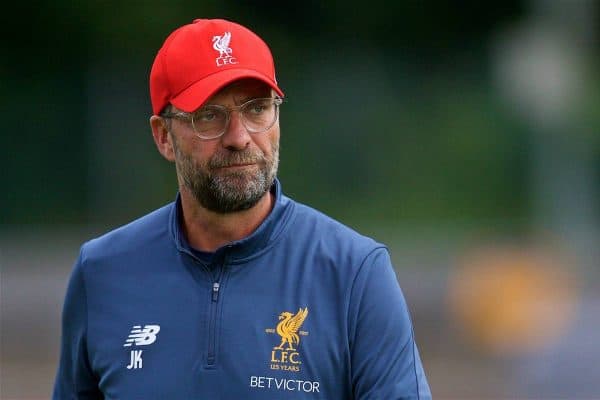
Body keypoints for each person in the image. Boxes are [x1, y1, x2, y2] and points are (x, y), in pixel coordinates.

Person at [53, 18, 431, 399]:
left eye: (257, 109)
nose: (239, 137)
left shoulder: (354, 273)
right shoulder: (102, 272)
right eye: (210, 115)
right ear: (164, 136)